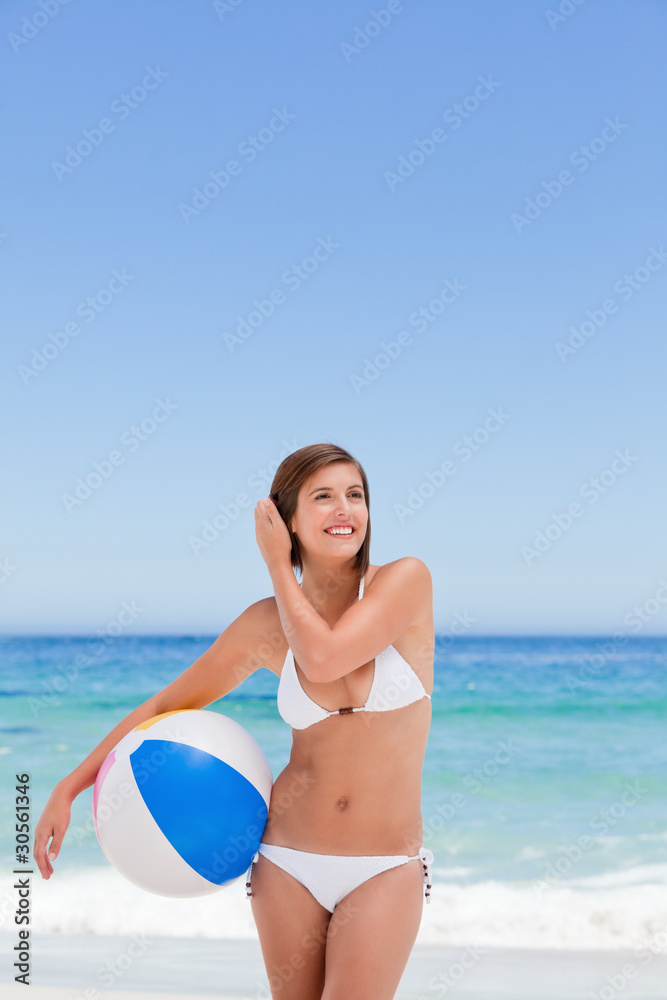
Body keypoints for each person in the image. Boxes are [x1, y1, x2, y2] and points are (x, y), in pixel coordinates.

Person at [34, 442, 435, 1000]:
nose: (345, 510)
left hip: (385, 865)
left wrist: (276, 564)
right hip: (287, 862)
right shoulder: (265, 624)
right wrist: (70, 786)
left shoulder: (405, 582)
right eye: (323, 497)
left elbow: (322, 656)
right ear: (285, 519)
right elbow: (164, 707)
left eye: (356, 495)